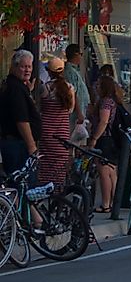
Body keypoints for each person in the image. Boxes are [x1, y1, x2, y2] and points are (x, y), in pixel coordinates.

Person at [36, 56, 76, 187]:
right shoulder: (69, 88)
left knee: (45, 162)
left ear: (49, 71)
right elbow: (70, 110)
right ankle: (58, 191)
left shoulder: (45, 88)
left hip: (46, 131)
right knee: (60, 164)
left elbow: (39, 108)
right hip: (62, 132)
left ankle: (44, 190)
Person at [0, 50, 40, 179]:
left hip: (16, 144)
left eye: (29, 66)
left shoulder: (17, 86)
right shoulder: (16, 88)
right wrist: (31, 146)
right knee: (21, 182)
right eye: (23, 67)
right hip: (18, 145)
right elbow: (21, 120)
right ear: (15, 67)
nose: (27, 70)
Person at [88, 73, 124, 212]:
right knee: (112, 171)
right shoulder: (113, 101)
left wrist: (94, 138)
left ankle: (106, 203)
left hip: (104, 139)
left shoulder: (105, 102)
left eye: (98, 85)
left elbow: (103, 122)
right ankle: (114, 202)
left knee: (104, 172)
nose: (96, 87)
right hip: (112, 139)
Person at [63, 43, 89, 131]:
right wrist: (79, 113)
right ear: (76, 54)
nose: (82, 57)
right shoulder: (70, 72)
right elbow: (73, 93)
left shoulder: (75, 70)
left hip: (80, 111)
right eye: (81, 54)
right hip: (75, 115)